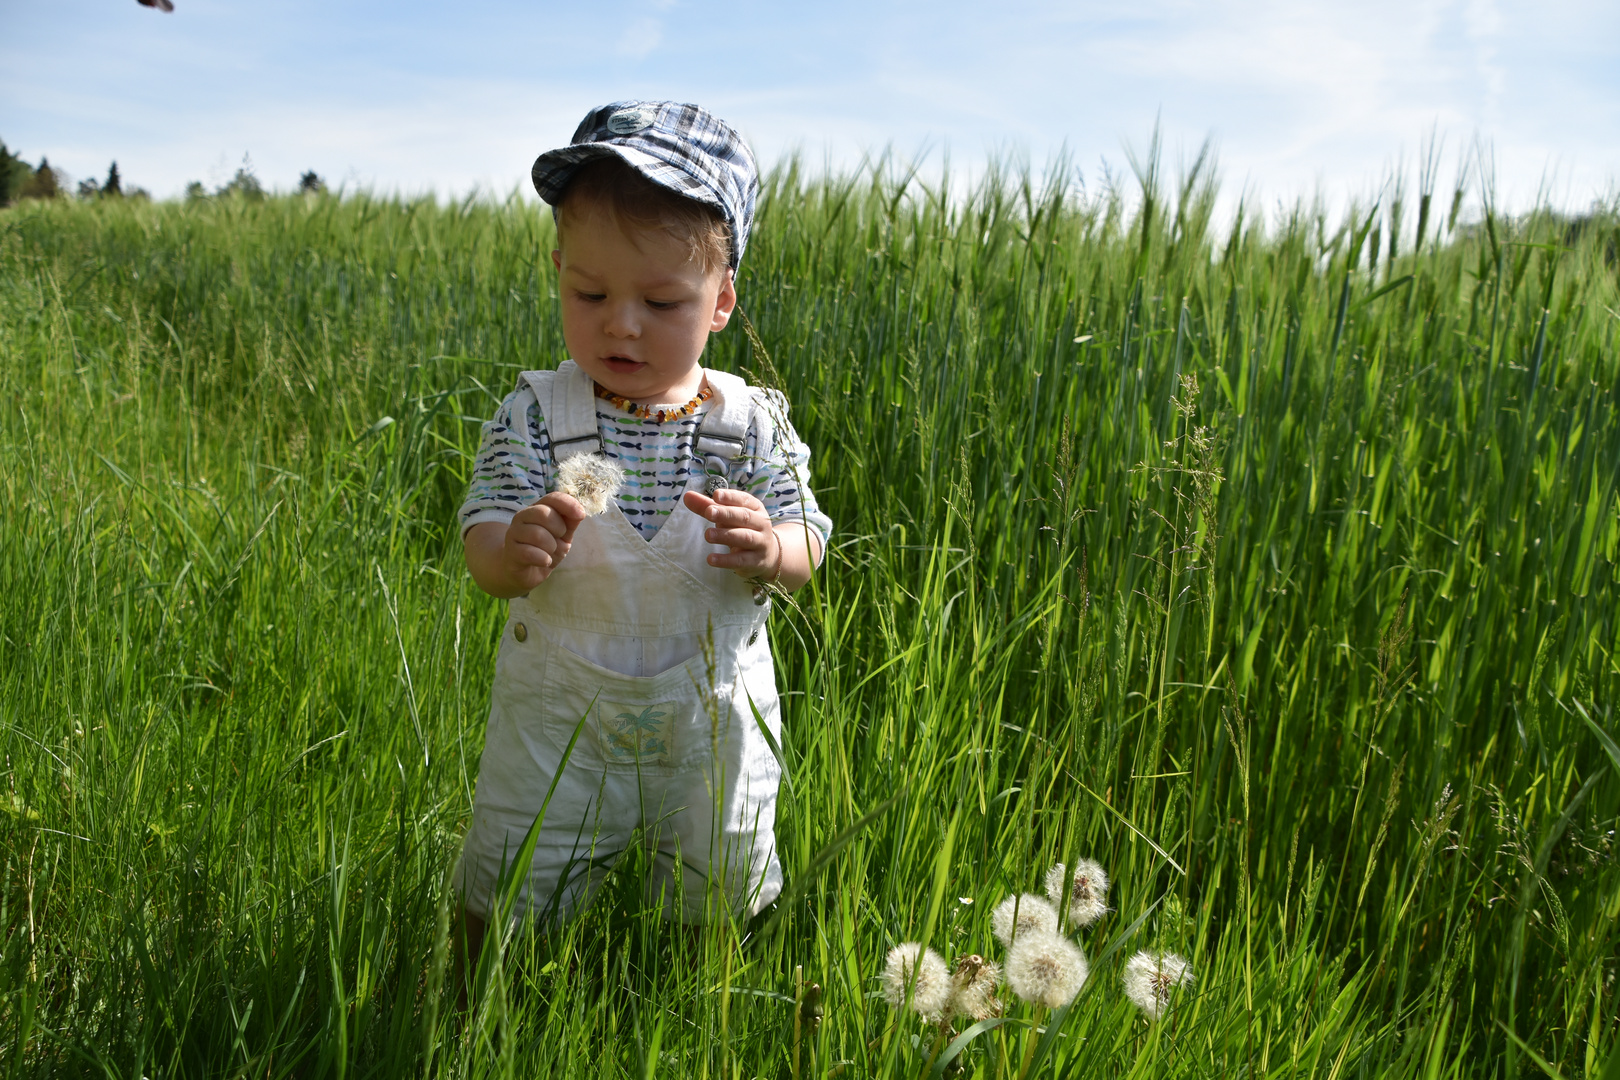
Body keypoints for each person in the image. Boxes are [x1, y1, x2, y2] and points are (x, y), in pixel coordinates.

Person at [453, 102, 831, 958]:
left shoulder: (747, 426)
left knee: (718, 882)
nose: (620, 322)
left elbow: (808, 538)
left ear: (722, 299)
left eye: (661, 301)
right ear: (558, 271)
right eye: (589, 293)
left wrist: (773, 550)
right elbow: (483, 541)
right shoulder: (542, 417)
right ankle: (473, 1010)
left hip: (714, 726)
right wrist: (512, 553)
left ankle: (694, 1003)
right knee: (513, 874)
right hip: (557, 725)